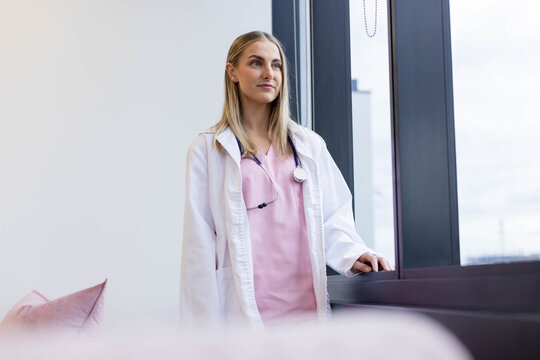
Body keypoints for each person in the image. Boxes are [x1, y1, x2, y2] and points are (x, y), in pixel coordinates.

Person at [180, 31, 392, 326]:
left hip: (305, 309)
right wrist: (201, 333)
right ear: (232, 73)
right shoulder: (209, 149)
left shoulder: (308, 145)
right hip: (243, 311)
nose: (269, 73)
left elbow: (332, 217)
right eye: (256, 63)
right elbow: (198, 245)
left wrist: (354, 254)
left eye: (276, 65)